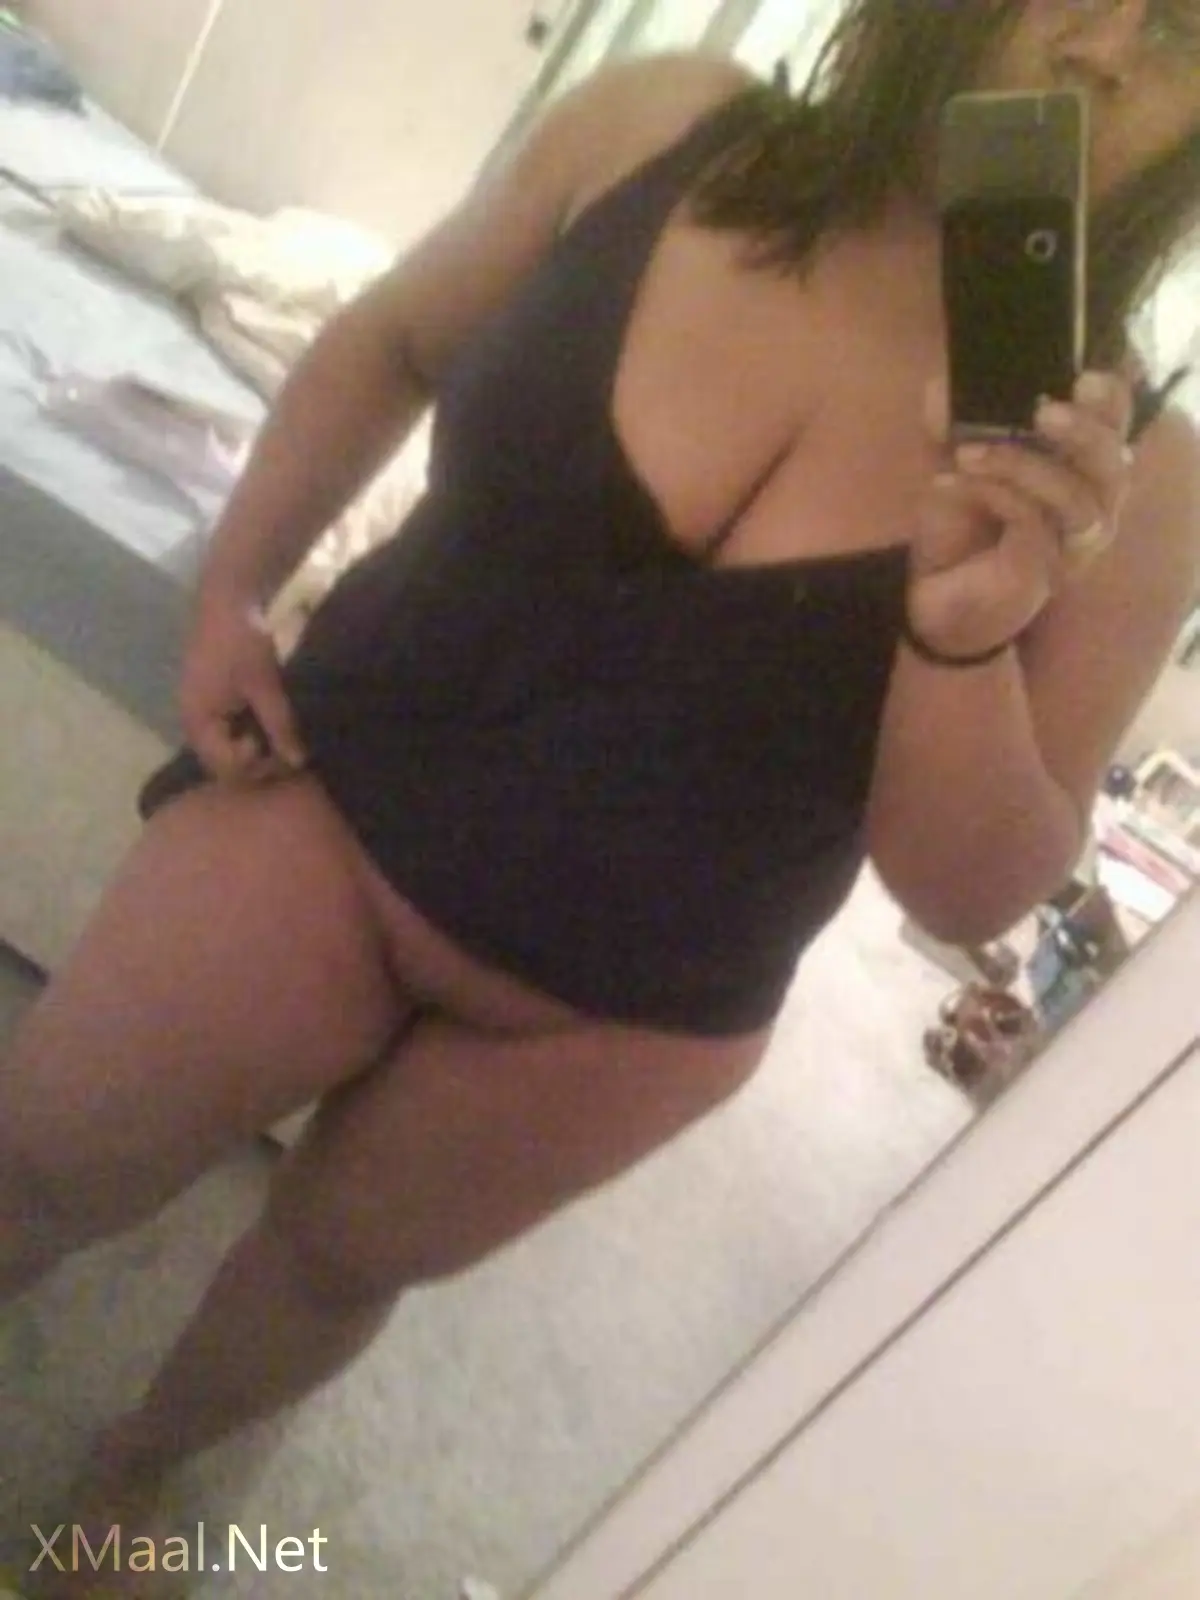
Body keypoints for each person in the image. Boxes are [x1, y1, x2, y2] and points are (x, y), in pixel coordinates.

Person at [3, 0, 1199, 1582]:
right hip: (344, 787)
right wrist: (233, 587)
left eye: (1182, 33)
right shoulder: (659, 124)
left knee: (331, 1269)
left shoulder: (1143, 480)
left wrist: (962, 639)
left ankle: (136, 1480)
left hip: (628, 1010)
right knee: (45, 1156)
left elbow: (969, 888)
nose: (1107, 48)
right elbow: (391, 341)